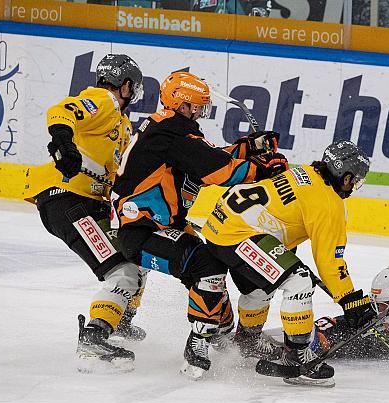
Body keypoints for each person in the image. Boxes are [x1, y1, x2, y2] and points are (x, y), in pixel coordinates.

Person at [110, 70, 287, 378]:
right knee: (206, 265)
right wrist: (262, 170)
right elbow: (216, 171)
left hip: (154, 227)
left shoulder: (167, 129)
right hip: (142, 230)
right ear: (180, 104)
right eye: (195, 107)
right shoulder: (173, 132)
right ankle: (199, 342)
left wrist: (249, 148)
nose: (198, 113)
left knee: (212, 261)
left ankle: (222, 334)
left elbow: (204, 155)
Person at [201, 140, 376, 387]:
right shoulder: (328, 203)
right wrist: (350, 300)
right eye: (355, 179)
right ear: (345, 177)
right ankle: (297, 357)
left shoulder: (306, 172)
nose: (354, 186)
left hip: (221, 223)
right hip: (239, 234)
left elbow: (284, 216)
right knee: (299, 280)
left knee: (262, 286)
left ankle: (247, 342)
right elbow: (329, 262)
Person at [23, 54, 149, 373]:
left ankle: (118, 318)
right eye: (132, 86)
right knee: (121, 270)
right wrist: (64, 142)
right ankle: (94, 336)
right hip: (67, 199)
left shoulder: (123, 123)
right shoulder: (103, 100)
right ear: (125, 84)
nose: (133, 92)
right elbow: (63, 111)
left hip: (90, 203)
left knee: (137, 252)